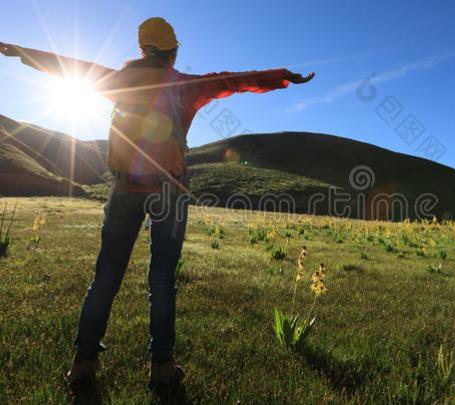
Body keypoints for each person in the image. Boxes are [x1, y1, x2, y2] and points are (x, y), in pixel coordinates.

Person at [0, 17, 314, 392]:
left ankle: (84, 364)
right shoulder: (186, 86)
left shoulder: (118, 79)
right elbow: (234, 80)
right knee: (162, 279)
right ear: (173, 50)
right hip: (169, 191)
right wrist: (281, 76)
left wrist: (20, 52)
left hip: (123, 189)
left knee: (106, 277)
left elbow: (72, 68)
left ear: (143, 49)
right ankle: (161, 368)